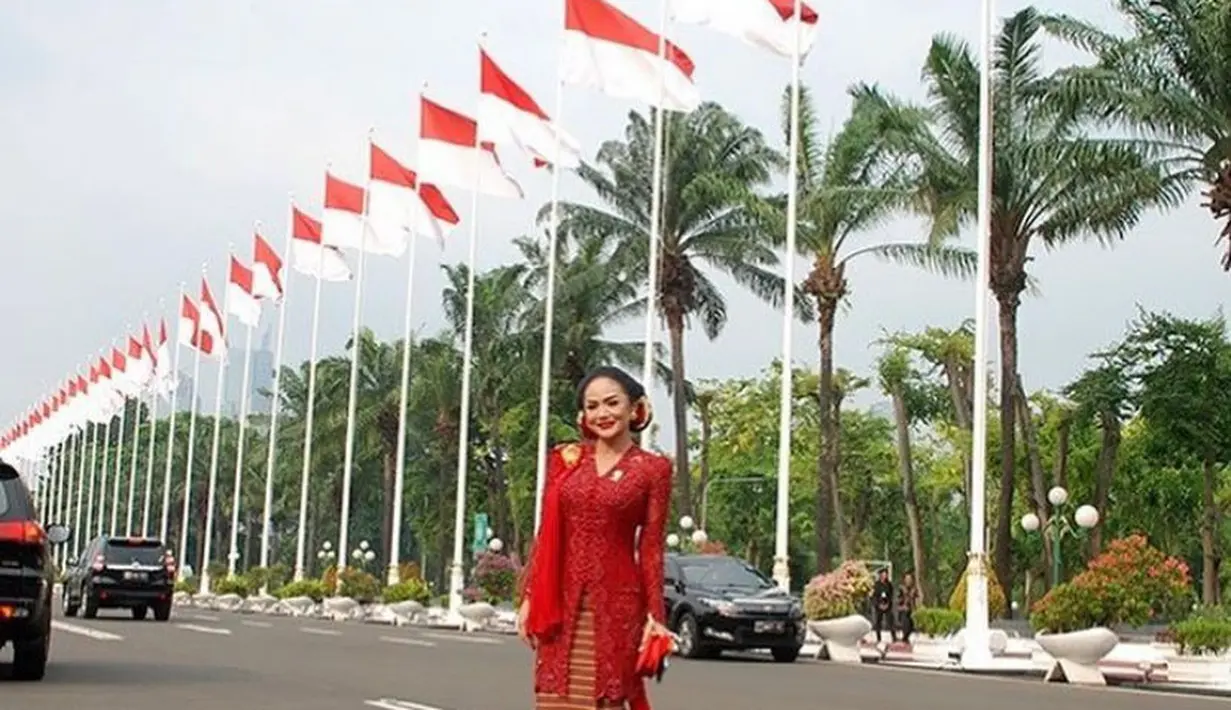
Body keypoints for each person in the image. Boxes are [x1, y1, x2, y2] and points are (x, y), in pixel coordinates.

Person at [518, 366, 674, 710]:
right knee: (556, 697)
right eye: (592, 406)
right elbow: (546, 533)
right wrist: (530, 597)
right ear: (583, 416)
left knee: (606, 696)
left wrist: (656, 617)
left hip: (618, 604)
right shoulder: (566, 460)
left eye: (611, 403)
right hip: (559, 601)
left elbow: (650, 549)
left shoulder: (653, 469)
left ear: (635, 408)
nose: (602, 413)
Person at [871, 569, 895, 642]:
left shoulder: (889, 584)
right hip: (879, 605)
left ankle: (894, 637)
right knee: (878, 622)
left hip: (887, 605)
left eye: (886, 574)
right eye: (883, 574)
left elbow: (891, 595)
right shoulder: (876, 584)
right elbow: (874, 596)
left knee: (890, 621)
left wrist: (888, 604)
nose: (885, 576)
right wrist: (878, 604)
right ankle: (878, 638)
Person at [897, 572, 921, 643]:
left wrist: (917, 607)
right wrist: (901, 606)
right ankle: (905, 637)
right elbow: (898, 599)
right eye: (907, 579)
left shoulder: (914, 589)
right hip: (904, 610)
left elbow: (917, 598)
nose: (908, 580)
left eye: (909, 579)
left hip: (912, 609)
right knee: (905, 624)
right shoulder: (901, 588)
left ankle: (906, 637)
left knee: (911, 625)